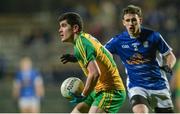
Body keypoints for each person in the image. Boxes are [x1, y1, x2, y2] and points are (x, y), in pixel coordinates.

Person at [104, 5, 176, 113]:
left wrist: (169, 65)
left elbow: (170, 56)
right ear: (123, 22)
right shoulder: (118, 41)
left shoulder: (154, 36)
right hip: (137, 86)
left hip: (159, 85)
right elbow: (99, 53)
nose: (131, 23)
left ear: (140, 20)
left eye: (134, 20)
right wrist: (77, 57)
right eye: (127, 20)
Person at [59, 12, 126, 113]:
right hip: (98, 89)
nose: (60, 30)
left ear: (75, 28)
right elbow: (107, 54)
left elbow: (95, 74)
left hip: (110, 91)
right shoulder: (85, 38)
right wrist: (77, 58)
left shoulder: (82, 43)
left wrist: (84, 95)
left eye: (63, 26)